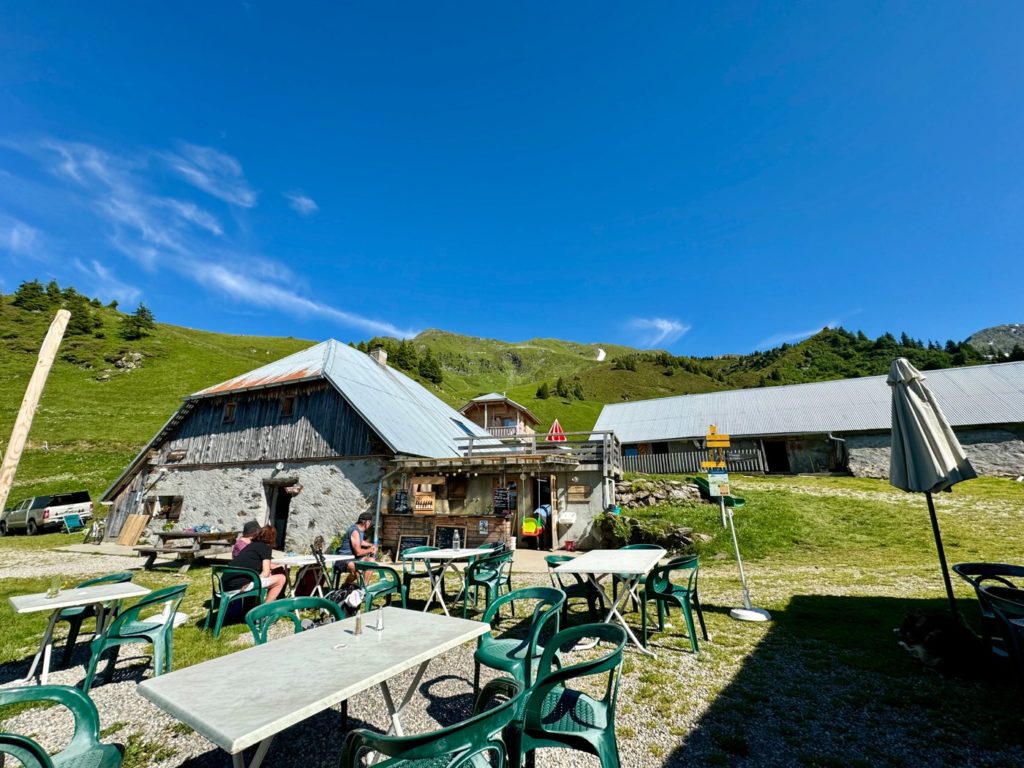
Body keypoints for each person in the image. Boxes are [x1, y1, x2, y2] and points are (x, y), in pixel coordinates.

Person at [226, 524, 286, 602]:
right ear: (272, 538)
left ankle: (255, 604)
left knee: (268, 577)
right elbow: (265, 573)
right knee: (281, 578)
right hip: (239, 586)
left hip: (225, 585)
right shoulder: (265, 547)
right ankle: (264, 610)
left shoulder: (250, 546)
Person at [335, 512, 378, 586]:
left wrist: (371, 545)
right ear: (367, 522)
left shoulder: (360, 530)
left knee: (371, 561)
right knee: (358, 570)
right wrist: (371, 550)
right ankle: (345, 585)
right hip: (344, 558)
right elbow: (358, 552)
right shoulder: (355, 531)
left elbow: (360, 542)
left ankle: (364, 588)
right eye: (370, 522)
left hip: (354, 558)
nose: (370, 524)